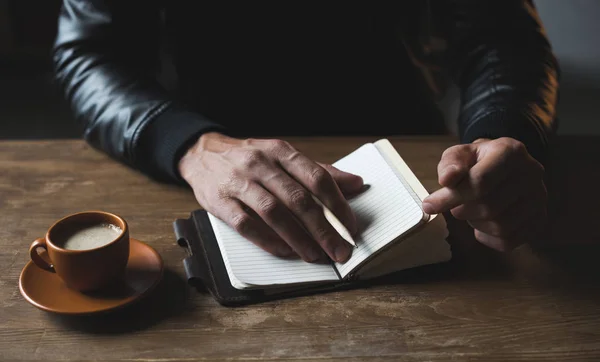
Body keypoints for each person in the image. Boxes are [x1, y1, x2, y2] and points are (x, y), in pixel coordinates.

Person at [53, 1, 559, 263]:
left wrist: (501, 132)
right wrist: (189, 144)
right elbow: (90, 52)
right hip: (203, 149)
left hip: (406, 156)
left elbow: (502, 36)